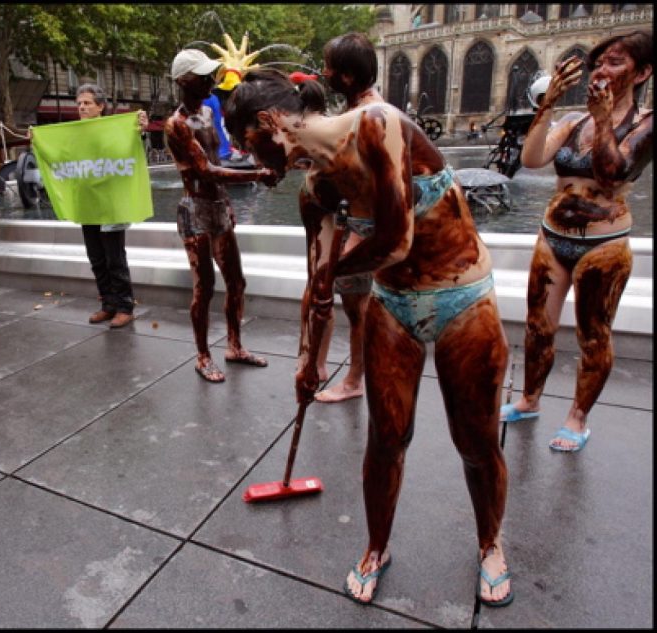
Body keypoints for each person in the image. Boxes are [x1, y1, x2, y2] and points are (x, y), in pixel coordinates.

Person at [225, 62, 512, 607]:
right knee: (386, 440)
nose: (253, 161)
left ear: (271, 123)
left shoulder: (378, 124)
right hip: (394, 305)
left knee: (474, 442)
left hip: (462, 297)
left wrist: (331, 275)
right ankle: (376, 547)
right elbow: (317, 283)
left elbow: (396, 240)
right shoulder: (316, 191)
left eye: (249, 144)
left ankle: (490, 544)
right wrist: (307, 361)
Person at [506, 31, 652, 452]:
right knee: (537, 328)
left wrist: (606, 119)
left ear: (643, 72)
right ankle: (530, 400)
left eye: (616, 62)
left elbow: (612, 174)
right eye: (600, 62)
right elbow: (532, 159)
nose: (601, 70)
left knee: (593, 336)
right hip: (554, 238)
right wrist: (548, 104)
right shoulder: (573, 122)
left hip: (603, 247)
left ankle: (577, 418)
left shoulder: (645, 124)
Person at [164, 49, 279, 383]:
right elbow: (206, 170)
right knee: (205, 287)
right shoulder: (177, 125)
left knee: (236, 281)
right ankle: (202, 355)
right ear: (184, 81)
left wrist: (233, 195)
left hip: (217, 208)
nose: (210, 81)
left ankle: (234, 347)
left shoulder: (207, 116)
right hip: (195, 210)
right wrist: (258, 175)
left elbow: (221, 160)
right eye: (203, 76)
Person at [304, 38, 379, 404]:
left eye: (330, 67)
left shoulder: (368, 116)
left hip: (364, 228)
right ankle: (335, 371)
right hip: (353, 224)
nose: (325, 72)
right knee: (350, 304)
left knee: (357, 307)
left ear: (348, 76)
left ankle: (354, 380)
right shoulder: (356, 111)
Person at [72, 83, 147, 328]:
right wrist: (38, 140)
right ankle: (108, 305)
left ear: (100, 107)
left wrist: (141, 127)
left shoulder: (115, 129)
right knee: (96, 258)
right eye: (79, 103)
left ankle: (125, 306)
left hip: (111, 204)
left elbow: (132, 141)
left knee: (115, 258)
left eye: (87, 103)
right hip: (88, 204)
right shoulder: (74, 133)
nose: (82, 107)